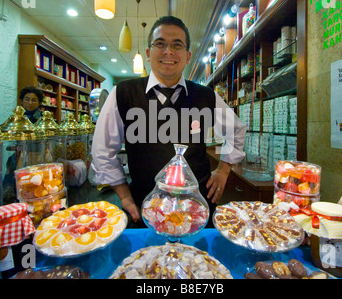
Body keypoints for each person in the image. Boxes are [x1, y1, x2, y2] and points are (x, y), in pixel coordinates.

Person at [91, 16, 246, 227]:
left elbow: (236, 130)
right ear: (148, 53)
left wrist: (223, 170)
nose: (168, 51)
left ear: (188, 55)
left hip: (198, 209)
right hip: (145, 208)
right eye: (160, 44)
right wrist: (124, 195)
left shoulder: (205, 95)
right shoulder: (124, 93)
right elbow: (102, 150)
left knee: (201, 260)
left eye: (177, 45)